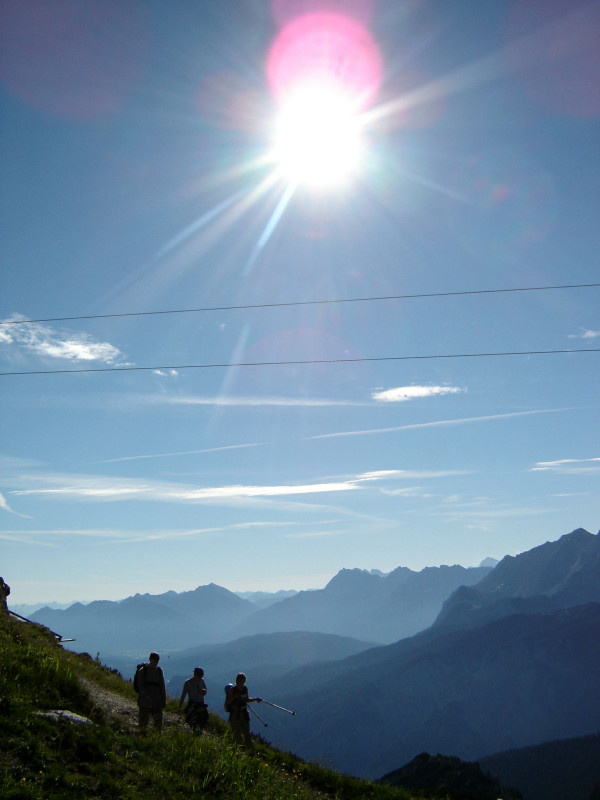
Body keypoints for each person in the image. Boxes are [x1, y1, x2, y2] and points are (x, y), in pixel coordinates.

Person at [225, 672, 261, 752]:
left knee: (247, 734)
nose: (242, 682)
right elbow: (227, 703)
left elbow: (247, 700)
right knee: (237, 735)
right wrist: (234, 697)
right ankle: (239, 752)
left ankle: (249, 752)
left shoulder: (245, 689)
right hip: (236, 714)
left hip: (244, 714)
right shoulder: (232, 690)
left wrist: (255, 699)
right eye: (242, 681)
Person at [135, 652, 166, 731]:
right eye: (154, 660)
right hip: (145, 701)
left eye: (157, 660)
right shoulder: (142, 671)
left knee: (158, 723)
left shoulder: (159, 671)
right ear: (150, 659)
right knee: (143, 723)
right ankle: (143, 736)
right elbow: (140, 686)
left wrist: (163, 700)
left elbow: (162, 687)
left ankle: (155, 739)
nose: (156, 662)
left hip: (157, 701)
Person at [178, 667, 208, 733]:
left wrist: (203, 691)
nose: (200, 678)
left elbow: (205, 691)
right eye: (199, 676)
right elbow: (183, 695)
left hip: (201, 704)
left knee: (202, 721)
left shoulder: (202, 681)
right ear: (195, 675)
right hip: (192, 704)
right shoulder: (188, 683)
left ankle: (199, 732)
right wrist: (179, 707)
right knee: (191, 721)